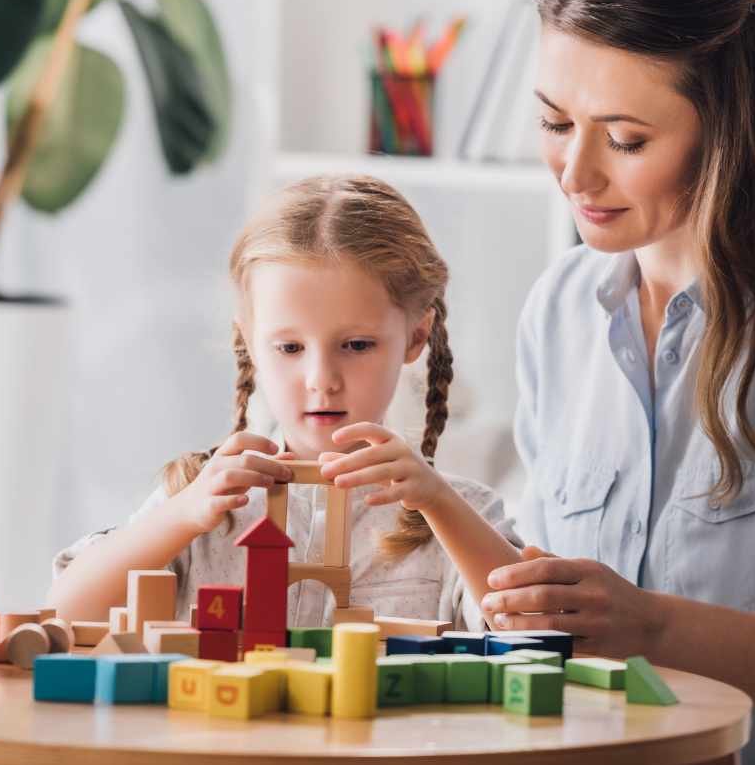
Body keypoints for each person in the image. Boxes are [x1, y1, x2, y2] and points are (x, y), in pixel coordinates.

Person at [479, 0, 755, 765]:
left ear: (731, 129)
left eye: (626, 139)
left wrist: (655, 628)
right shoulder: (558, 312)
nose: (576, 174)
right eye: (555, 124)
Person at [49, 174, 522, 632]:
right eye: (290, 348)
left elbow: (529, 627)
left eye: (356, 345)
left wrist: (438, 501)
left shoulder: (460, 512)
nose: (322, 380)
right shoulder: (199, 499)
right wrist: (185, 514)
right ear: (250, 343)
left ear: (416, 337)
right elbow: (65, 614)